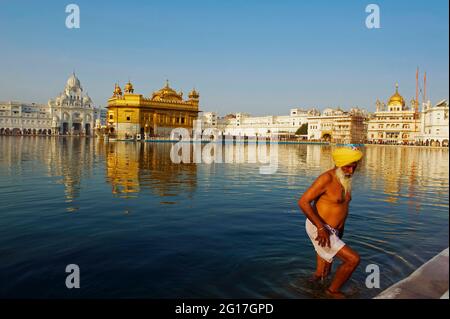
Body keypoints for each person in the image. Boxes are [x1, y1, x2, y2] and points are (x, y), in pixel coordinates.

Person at [298, 147, 364, 298]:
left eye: (354, 166)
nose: (351, 170)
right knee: (353, 260)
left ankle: (311, 290)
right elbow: (303, 202)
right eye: (347, 166)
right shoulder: (326, 178)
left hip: (333, 231)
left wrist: (340, 231)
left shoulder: (345, 179)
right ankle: (332, 291)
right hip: (319, 228)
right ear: (339, 164)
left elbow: (341, 208)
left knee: (323, 273)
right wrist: (321, 228)